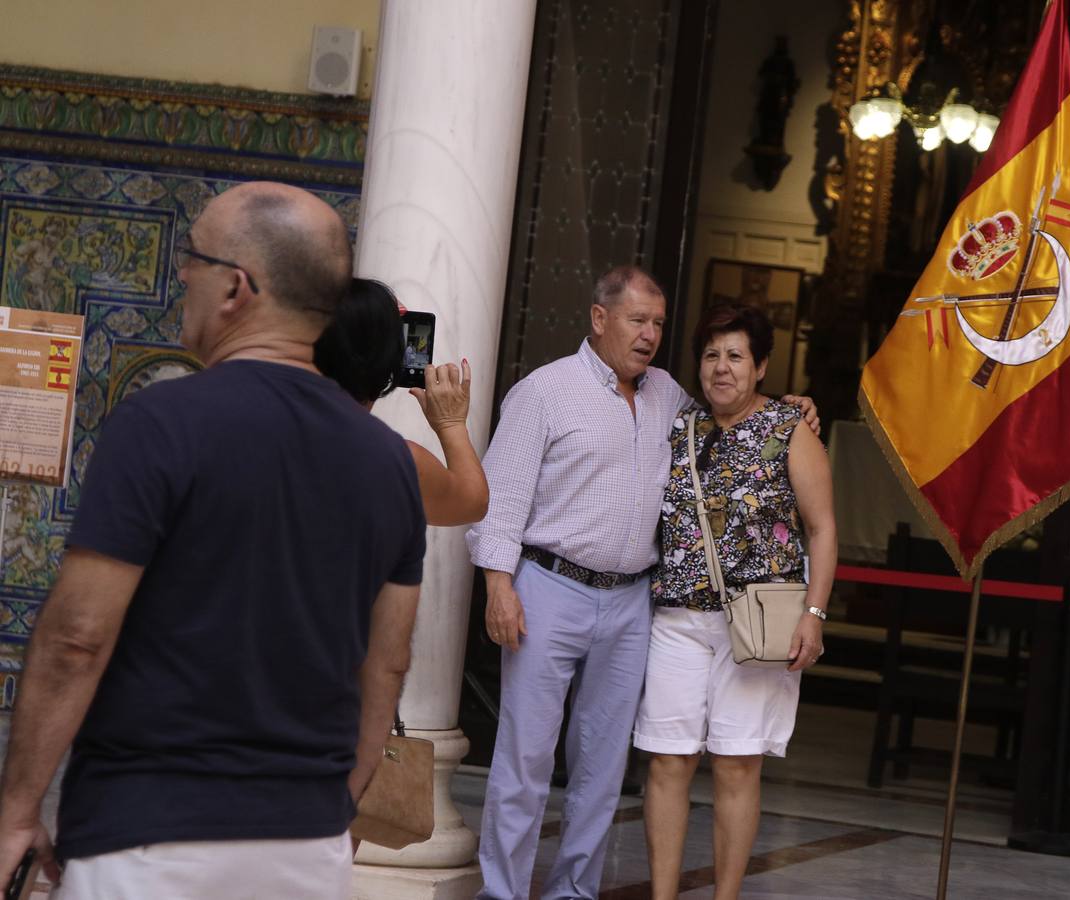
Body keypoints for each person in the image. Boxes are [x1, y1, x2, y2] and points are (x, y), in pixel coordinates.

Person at [0, 182, 427, 898]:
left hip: (148, 839)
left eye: (191, 260)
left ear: (237, 287)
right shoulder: (389, 462)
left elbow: (77, 638)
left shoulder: (160, 423)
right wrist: (335, 803)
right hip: (307, 847)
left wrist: (17, 809)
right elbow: (387, 665)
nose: (181, 279)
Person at [465, 266, 817, 900]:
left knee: (603, 767)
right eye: (637, 320)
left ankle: (572, 891)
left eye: (658, 323)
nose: (650, 334)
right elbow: (501, 499)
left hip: (631, 602)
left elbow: (736, 411)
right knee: (526, 759)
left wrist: (793, 406)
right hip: (548, 588)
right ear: (600, 319)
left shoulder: (668, 398)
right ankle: (503, 893)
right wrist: (498, 584)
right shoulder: (543, 392)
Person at [636, 303, 836, 900]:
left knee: (737, 763)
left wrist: (816, 614)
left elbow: (823, 529)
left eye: (736, 356)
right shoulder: (680, 425)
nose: (722, 368)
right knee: (668, 761)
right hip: (677, 619)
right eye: (711, 355)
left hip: (759, 625)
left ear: (761, 366)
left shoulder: (789, 430)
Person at [315, 276, 488, 527]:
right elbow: (472, 504)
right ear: (388, 364)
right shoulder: (395, 460)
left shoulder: (261, 423)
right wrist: (451, 424)